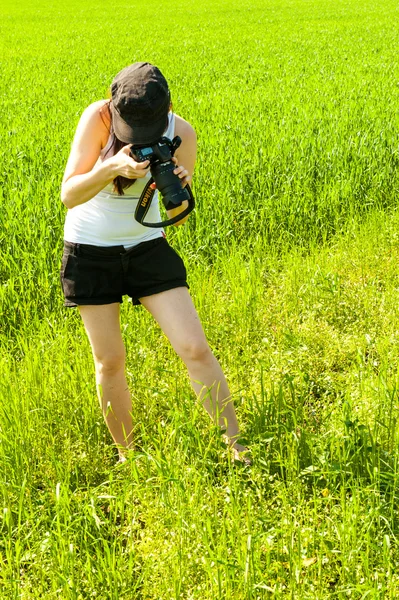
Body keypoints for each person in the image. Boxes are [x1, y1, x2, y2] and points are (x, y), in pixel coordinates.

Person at [60, 62, 250, 465]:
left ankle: (236, 446)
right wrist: (111, 166)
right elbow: (69, 194)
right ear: (114, 109)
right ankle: (128, 456)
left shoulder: (182, 132)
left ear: (167, 109)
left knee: (195, 347)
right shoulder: (97, 117)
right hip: (90, 250)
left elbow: (177, 210)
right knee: (110, 360)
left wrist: (180, 186)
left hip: (146, 245)